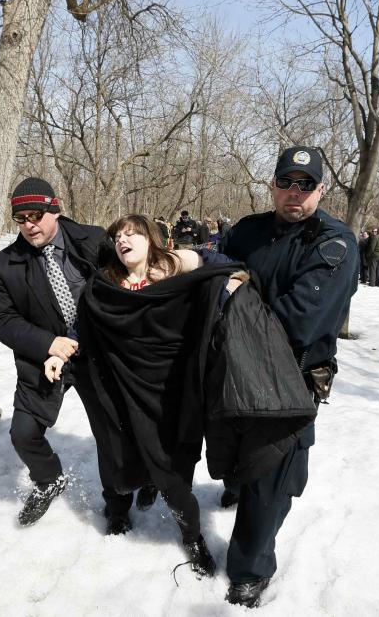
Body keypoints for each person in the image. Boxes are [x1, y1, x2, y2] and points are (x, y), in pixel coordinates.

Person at [69, 214, 247, 578]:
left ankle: (192, 536)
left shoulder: (173, 271)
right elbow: (81, 323)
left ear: (151, 239)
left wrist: (219, 276)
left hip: (172, 391)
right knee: (126, 453)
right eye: (118, 235)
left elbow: (228, 267)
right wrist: (60, 351)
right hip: (124, 388)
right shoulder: (106, 284)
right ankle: (129, 499)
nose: (124, 239)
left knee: (173, 471)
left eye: (133, 233)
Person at [220, 145, 358, 608]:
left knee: (271, 473)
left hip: (291, 377)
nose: (294, 193)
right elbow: (215, 280)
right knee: (233, 450)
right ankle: (234, 485)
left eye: (305, 184)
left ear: (321, 189)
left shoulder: (333, 242)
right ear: (272, 186)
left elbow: (302, 319)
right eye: (285, 182)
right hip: (235, 366)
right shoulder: (247, 231)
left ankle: (250, 569)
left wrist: (239, 298)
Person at [0, 177, 147, 531]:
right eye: (21, 218)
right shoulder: (4, 264)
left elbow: (139, 268)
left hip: (99, 356)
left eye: (37, 214)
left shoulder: (93, 241)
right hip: (45, 360)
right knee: (23, 434)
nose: (29, 225)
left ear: (54, 209)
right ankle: (48, 479)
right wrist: (48, 343)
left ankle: (118, 504)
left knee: (111, 437)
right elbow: (0, 318)